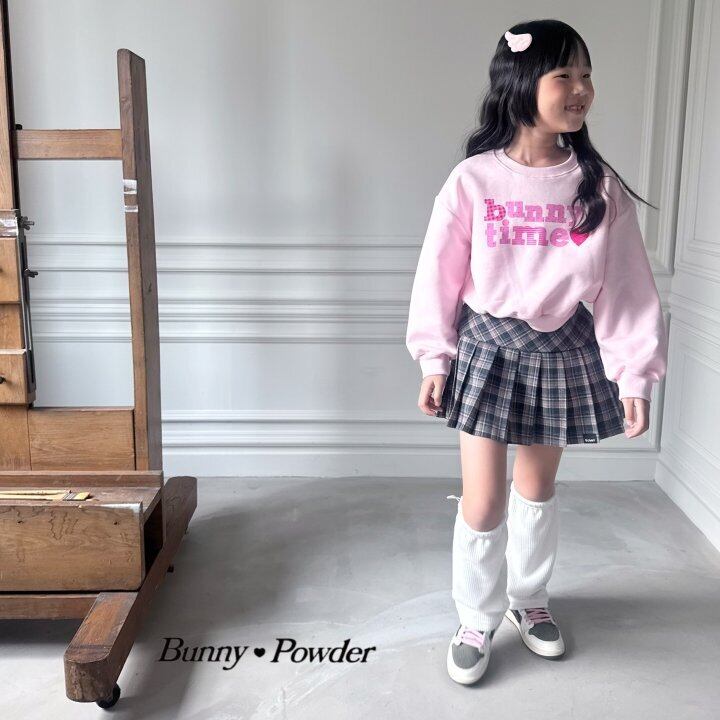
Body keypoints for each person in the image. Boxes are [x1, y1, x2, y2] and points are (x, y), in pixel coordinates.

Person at [405, 18, 668, 686]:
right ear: (522, 82)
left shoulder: (597, 185)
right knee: (483, 501)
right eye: (564, 75)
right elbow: (438, 275)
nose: (581, 89)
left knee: (537, 488)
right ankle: (476, 616)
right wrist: (435, 358)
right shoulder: (473, 180)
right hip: (488, 350)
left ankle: (529, 599)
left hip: (562, 351)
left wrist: (634, 375)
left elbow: (627, 289)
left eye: (587, 76)